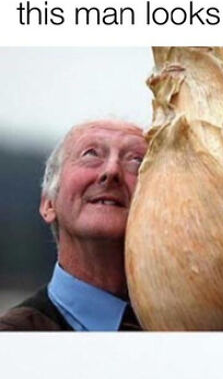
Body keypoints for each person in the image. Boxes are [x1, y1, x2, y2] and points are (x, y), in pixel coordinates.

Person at [0, 119, 147, 331]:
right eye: (91, 154)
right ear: (48, 203)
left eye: (137, 160)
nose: (112, 170)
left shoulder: (199, 329)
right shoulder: (12, 343)